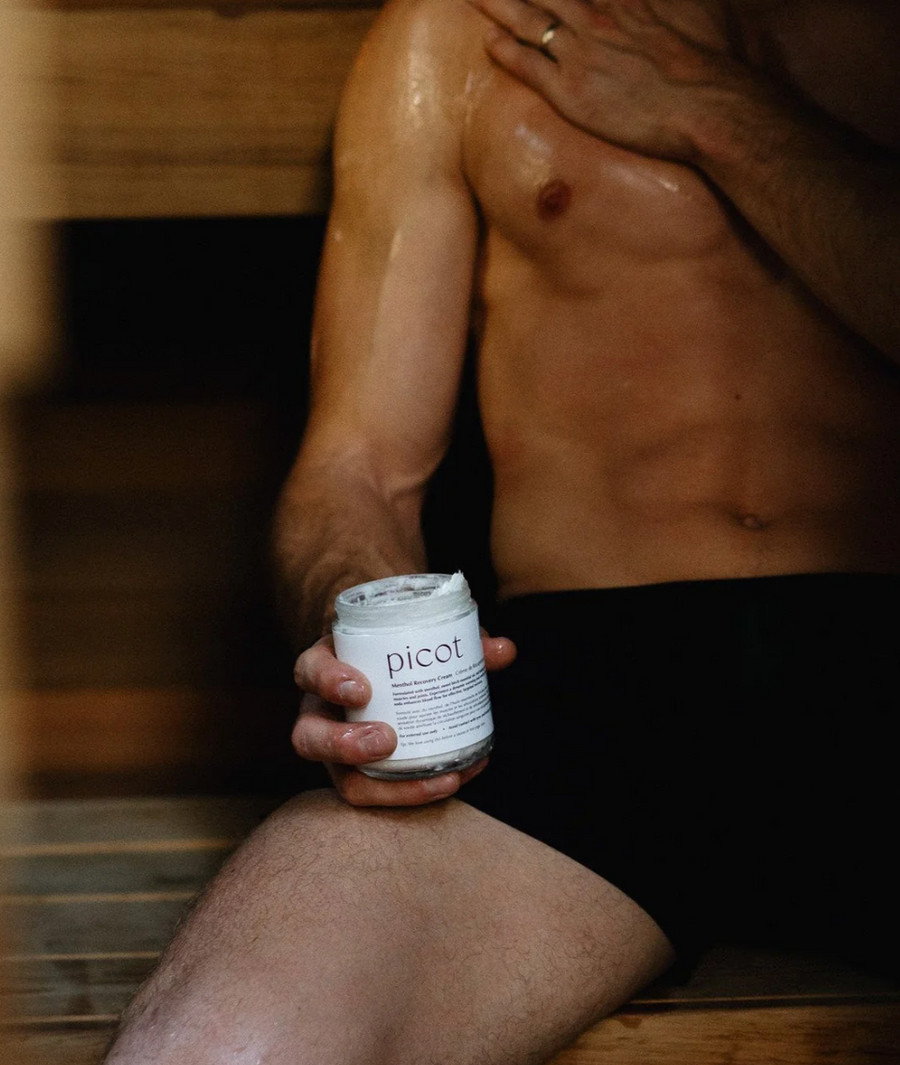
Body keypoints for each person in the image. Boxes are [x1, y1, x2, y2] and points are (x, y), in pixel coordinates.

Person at [104, 1, 900, 1062]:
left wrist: (716, 111)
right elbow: (357, 471)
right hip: (598, 691)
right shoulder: (458, 35)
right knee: (216, 1045)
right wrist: (357, 643)